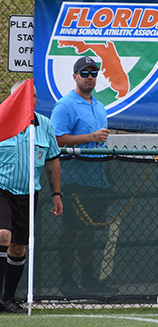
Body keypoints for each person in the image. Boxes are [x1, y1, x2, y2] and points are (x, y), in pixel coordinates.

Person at [50, 56, 116, 295]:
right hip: (74, 180)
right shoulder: (66, 105)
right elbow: (56, 140)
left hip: (97, 178)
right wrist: (89, 137)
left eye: (94, 73)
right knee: (70, 231)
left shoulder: (98, 106)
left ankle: (89, 280)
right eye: (85, 73)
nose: (90, 77)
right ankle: (66, 282)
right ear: (75, 76)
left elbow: (103, 144)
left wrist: (109, 180)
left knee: (89, 232)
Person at [0, 80, 63, 313]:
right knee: (3, 235)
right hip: (2, 189)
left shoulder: (44, 125)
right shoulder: (1, 120)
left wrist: (56, 193)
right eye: (24, 96)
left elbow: (52, 160)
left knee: (18, 248)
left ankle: (8, 299)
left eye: (34, 96)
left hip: (28, 193)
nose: (30, 100)